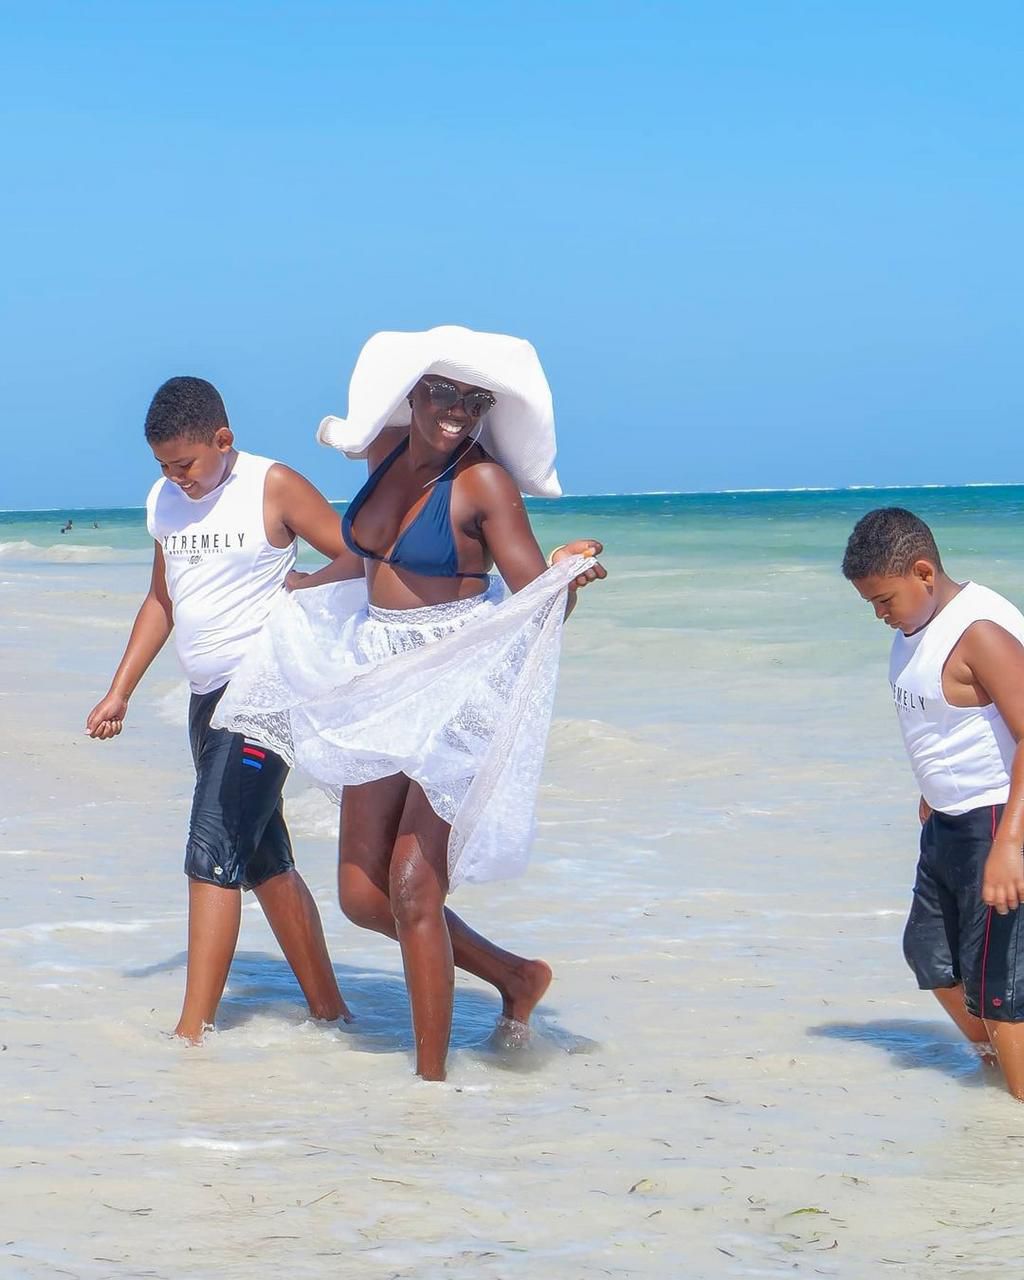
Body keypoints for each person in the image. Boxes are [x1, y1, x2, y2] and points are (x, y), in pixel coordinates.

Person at [214, 325, 605, 1080]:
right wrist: (303, 585)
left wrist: (562, 576)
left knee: (413, 885)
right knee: (363, 896)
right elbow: (365, 552)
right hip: (379, 670)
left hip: (456, 674)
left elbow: (538, 608)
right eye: (444, 392)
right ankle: (518, 977)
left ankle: (431, 1089)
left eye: (473, 398)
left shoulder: (483, 483)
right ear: (414, 394)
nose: (457, 409)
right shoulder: (384, 449)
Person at [85, 376, 356, 1042]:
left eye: (186, 464)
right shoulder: (165, 502)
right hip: (207, 701)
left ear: (223, 439)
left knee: (210, 849)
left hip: (264, 692)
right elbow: (162, 600)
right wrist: (120, 689)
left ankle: (190, 1037)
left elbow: (358, 554)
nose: (176, 478)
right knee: (263, 859)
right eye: (164, 467)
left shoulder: (272, 485)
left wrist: (306, 585)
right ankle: (330, 1010)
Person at [843, 506, 1024, 1099]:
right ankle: (997, 1077)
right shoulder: (914, 626)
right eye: (869, 603)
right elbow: (948, 722)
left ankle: (1009, 1135)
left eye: (884, 599)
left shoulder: (979, 631)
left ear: (923, 572)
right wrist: (932, 787)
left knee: (1002, 991)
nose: (878, 615)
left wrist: (1010, 847)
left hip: (998, 822)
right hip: (948, 820)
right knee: (931, 958)